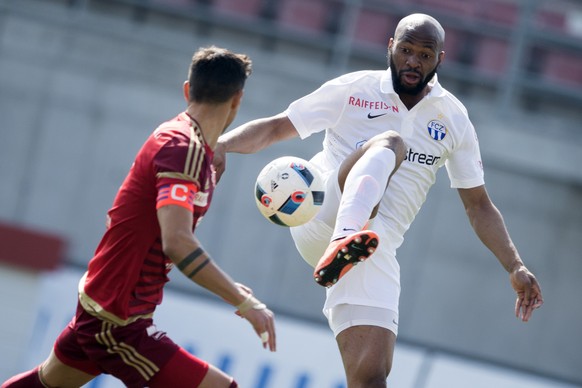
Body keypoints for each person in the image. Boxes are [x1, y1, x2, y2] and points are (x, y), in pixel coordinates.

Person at [213, 13, 543, 387]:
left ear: (441, 58)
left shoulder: (454, 118)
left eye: (424, 54)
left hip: (373, 248)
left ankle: (349, 244)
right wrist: (221, 144)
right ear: (391, 47)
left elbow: (478, 205)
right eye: (405, 50)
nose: (413, 62)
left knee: (371, 379)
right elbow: (276, 126)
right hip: (323, 213)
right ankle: (344, 237)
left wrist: (514, 265)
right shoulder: (354, 89)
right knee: (391, 143)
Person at [2, 46, 276, 388]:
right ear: (237, 100)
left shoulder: (185, 142)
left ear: (187, 89)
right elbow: (177, 242)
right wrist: (243, 301)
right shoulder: (183, 149)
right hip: (118, 320)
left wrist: (231, 288)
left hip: (105, 304)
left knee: (44, 384)